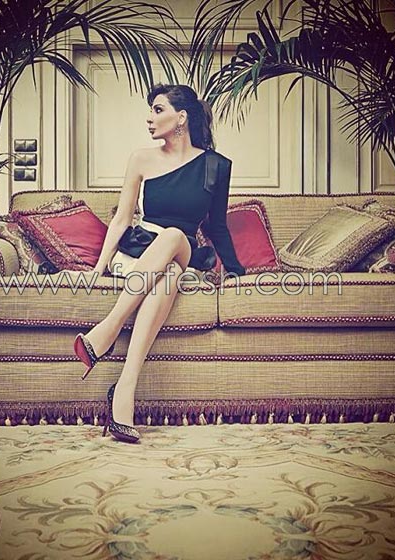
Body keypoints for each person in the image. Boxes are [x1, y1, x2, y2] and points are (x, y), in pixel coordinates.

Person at [74, 83, 245, 443]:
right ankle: (124, 390)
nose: (149, 118)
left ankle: (107, 329)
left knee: (173, 237)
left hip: (184, 249)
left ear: (181, 118)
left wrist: (234, 271)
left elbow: (216, 226)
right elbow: (122, 219)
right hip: (142, 256)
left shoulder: (216, 166)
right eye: (150, 111)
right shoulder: (141, 158)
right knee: (168, 275)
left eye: (157, 109)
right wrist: (99, 266)